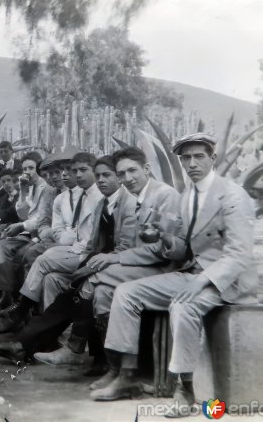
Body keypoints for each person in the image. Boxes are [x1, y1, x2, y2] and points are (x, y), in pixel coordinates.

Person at [91, 134, 256, 418]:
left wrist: (202, 281)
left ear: (212, 158)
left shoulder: (232, 194)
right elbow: (182, 249)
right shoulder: (188, 196)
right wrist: (166, 237)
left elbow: (239, 254)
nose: (191, 163)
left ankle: (185, 389)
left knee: (183, 305)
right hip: (192, 272)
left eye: (198, 156)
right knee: (126, 292)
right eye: (185, 158)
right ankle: (127, 375)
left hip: (226, 280)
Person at [34, 147, 181, 380]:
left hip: (162, 269)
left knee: (90, 278)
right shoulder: (135, 197)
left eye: (132, 171)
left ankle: (76, 348)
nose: (127, 178)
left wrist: (113, 258)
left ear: (147, 169)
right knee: (101, 292)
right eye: (122, 174)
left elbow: (163, 250)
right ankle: (114, 368)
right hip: (139, 264)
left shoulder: (164, 195)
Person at [0, 152, 55, 315]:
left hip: (39, 232)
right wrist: (24, 193)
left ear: (38, 169)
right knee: (1, 246)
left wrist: (21, 225)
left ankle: (21, 305)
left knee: (20, 253)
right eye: (25, 168)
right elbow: (23, 214)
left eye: (31, 168)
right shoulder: (29, 186)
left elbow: (42, 218)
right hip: (29, 231)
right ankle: (6, 295)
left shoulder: (46, 187)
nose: (28, 172)